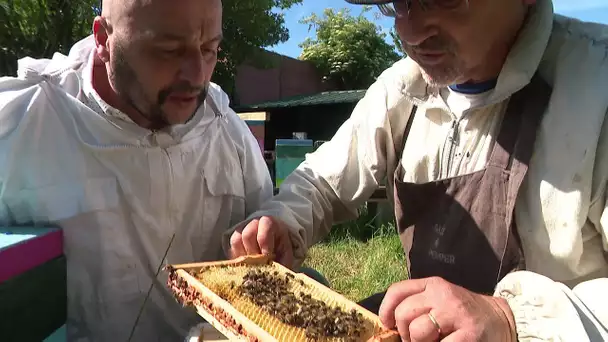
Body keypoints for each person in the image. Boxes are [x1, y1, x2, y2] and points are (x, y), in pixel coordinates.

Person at [228, 0, 608, 340]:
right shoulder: (402, 86)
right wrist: (282, 219)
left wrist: (511, 319)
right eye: (397, 3)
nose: (408, 31)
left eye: (440, 1)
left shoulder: (596, 83)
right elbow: (325, 183)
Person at [0, 0, 274, 340]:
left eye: (209, 49)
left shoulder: (227, 131)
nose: (197, 76)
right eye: (168, 50)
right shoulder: (20, 124)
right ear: (103, 39)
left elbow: (264, 249)